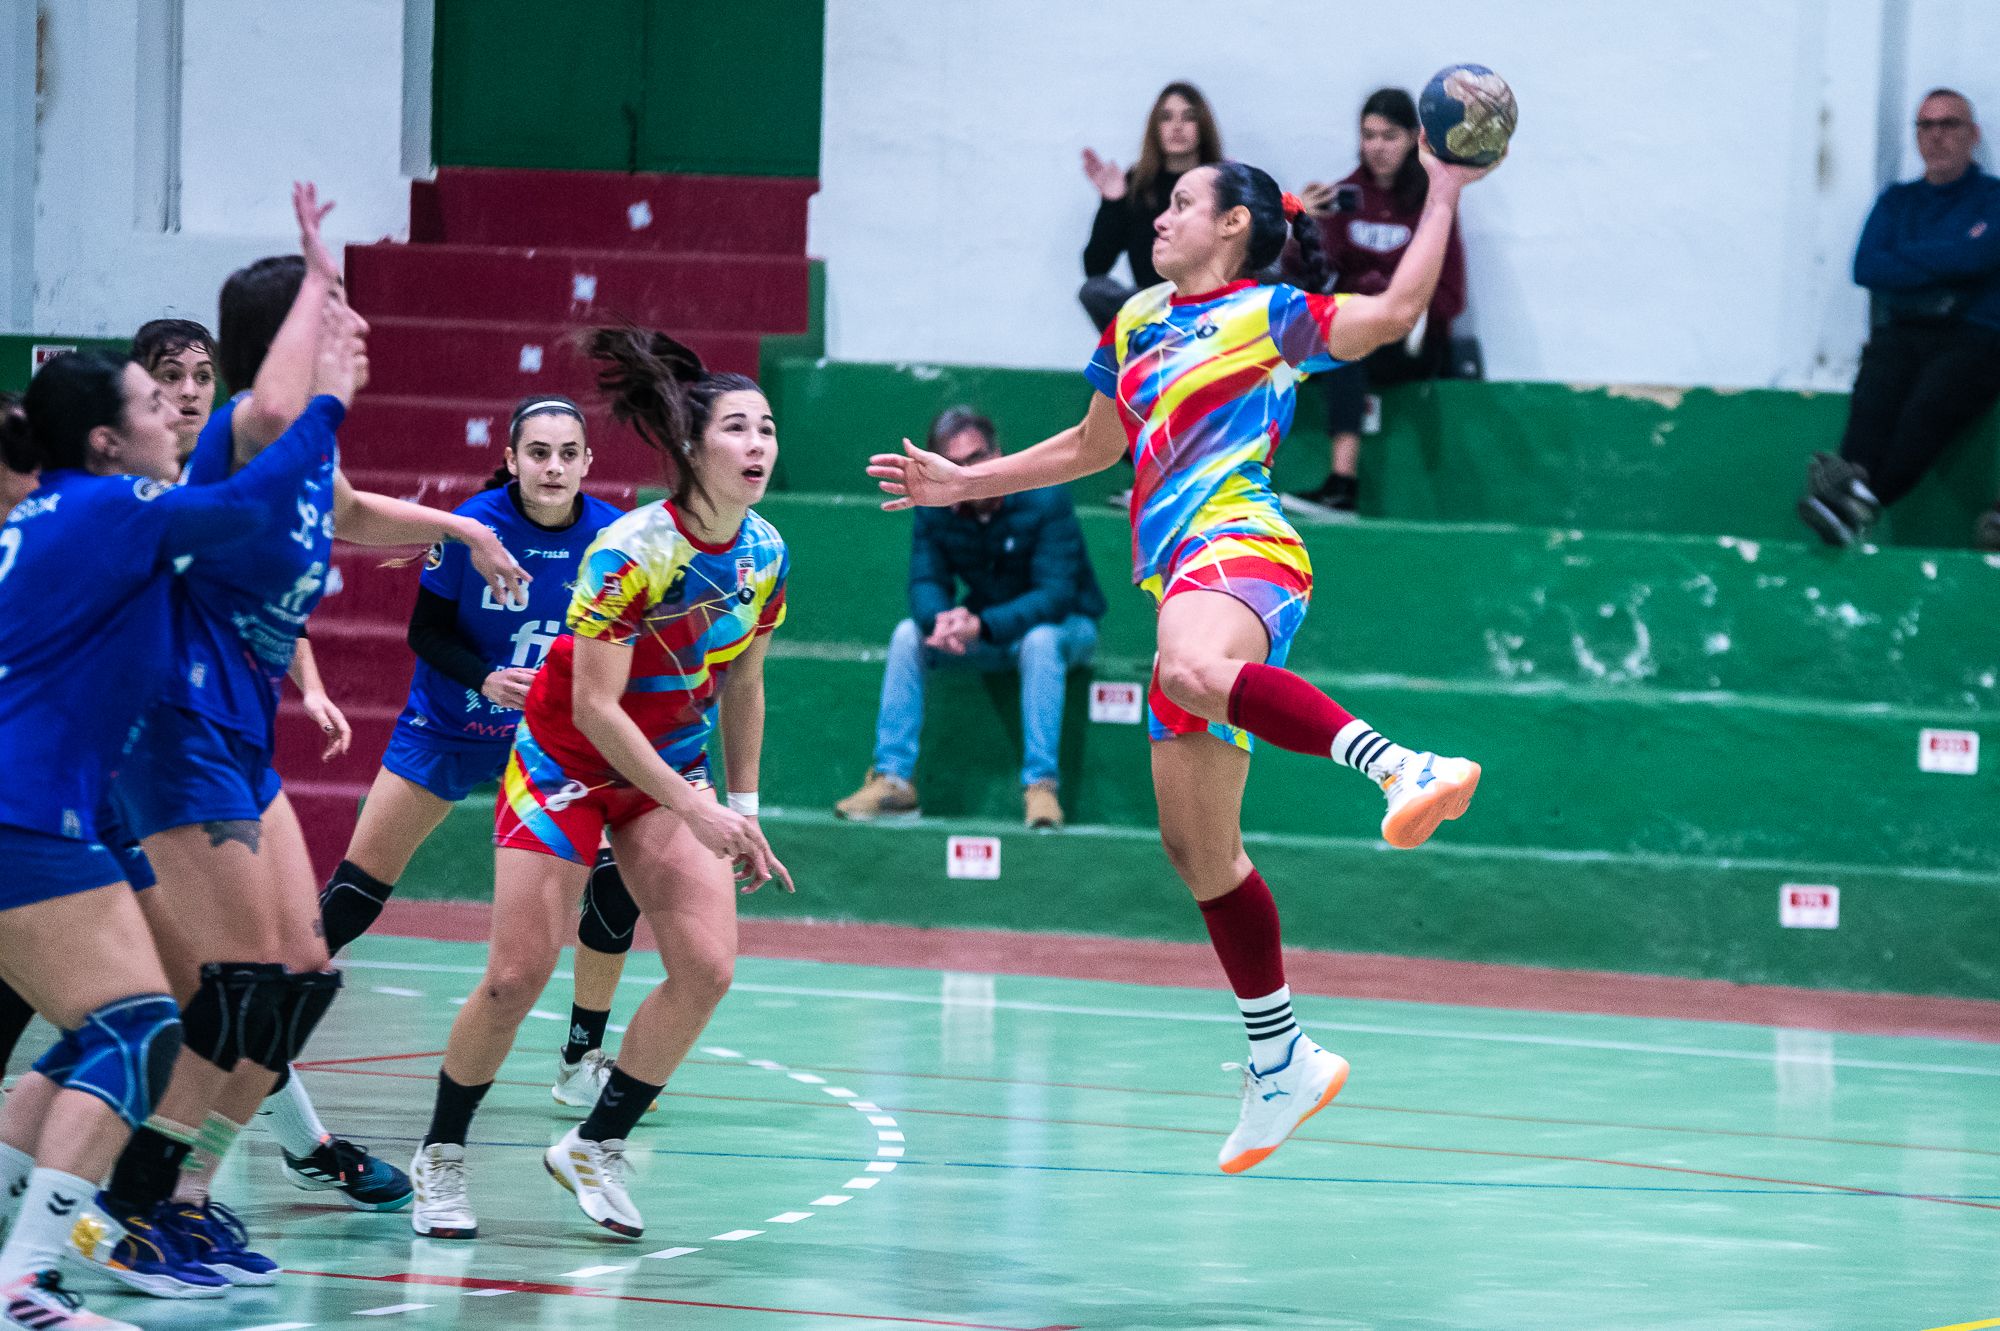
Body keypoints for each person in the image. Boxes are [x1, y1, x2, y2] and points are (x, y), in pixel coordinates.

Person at [871, 143, 1495, 1176]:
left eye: (1179, 204)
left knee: (1187, 671)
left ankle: (1399, 766)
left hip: (1241, 543)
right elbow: (1090, 445)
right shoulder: (1133, 321)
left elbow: (1392, 314)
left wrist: (1441, 191)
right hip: (1177, 576)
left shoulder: (1273, 313)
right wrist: (957, 483)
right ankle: (1280, 1057)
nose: (1158, 218)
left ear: (1233, 226)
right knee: (1198, 850)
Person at [76, 185, 533, 1298]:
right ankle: (131, 1208)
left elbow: (351, 512)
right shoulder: (241, 437)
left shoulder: (300, 462)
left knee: (302, 977)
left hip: (241, 743)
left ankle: (186, 1197)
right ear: (295, 342)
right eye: (341, 320)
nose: (361, 336)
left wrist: (465, 525)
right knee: (234, 990)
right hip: (174, 738)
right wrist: (320, 278)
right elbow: (282, 403)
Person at [407, 328, 792, 1243]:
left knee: (708, 968)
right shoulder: (630, 550)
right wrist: (692, 801)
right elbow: (598, 707)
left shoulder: (766, 551)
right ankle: (441, 1156)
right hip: (568, 760)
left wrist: (740, 807)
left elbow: (746, 681)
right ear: (692, 447)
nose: (761, 445)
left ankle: (595, 1142)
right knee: (513, 977)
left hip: (667, 771)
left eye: (769, 428)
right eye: (739, 427)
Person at [0, 347, 336, 1330]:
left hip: (48, 808)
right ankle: (25, 1281)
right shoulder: (112, 509)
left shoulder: (52, 516)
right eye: (154, 400)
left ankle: (23, 1268)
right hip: (27, 811)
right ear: (107, 439)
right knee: (136, 1026)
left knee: (94, 1031)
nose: (173, 411)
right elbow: (252, 502)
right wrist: (329, 404)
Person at [309, 394, 644, 1117]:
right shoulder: (469, 528)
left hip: (555, 741)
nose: (552, 466)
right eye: (538, 452)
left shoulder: (615, 539)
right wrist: (486, 678)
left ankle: (582, 1056)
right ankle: (261, 1008)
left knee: (618, 881)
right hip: (448, 723)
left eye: (567, 453)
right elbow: (425, 632)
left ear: (589, 462)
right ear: (512, 460)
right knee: (358, 891)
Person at [835, 406, 1105, 829]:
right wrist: (939, 621)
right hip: (991, 632)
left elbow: (1057, 595)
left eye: (978, 458)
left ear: (998, 453)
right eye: (956, 464)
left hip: (1068, 628)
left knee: (1041, 641)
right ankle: (894, 781)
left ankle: (1041, 787)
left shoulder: (1045, 495)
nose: (968, 471)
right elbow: (925, 580)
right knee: (909, 634)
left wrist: (983, 625)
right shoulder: (936, 505)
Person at [1800, 88, 2000, 547]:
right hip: (1904, 333)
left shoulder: (1992, 199)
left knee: (1928, 405)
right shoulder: (1898, 201)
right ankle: (1848, 496)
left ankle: (1855, 504)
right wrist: (1950, 260)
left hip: (1975, 337)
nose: (1936, 137)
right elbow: (1867, 267)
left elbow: (1982, 256)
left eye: (1949, 125)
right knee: (1874, 397)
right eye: (1925, 125)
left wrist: (1909, 260)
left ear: (1972, 135)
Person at [1286, 88, 1466, 518]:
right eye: (1369, 136)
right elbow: (1306, 275)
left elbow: (1452, 292)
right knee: (1334, 338)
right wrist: (1304, 225)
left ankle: (1342, 484)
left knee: (1349, 340)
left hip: (1413, 339)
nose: (1377, 147)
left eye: (1389, 136)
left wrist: (1406, 311)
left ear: (1412, 138)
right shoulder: (1346, 196)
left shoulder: (1433, 202)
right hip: (1356, 331)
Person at [1080, 82, 1226, 332]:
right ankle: (1145, 353)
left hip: (1210, 306)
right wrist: (1112, 203)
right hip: (1152, 310)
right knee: (1094, 292)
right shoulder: (1136, 185)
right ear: (1155, 128)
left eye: (1188, 117)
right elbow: (1095, 267)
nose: (1177, 126)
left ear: (1202, 126)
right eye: (1166, 118)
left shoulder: (1223, 181)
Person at [131, 320, 218, 468]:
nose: (189, 392)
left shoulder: (230, 471)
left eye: (203, 377)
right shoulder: (114, 474)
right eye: (171, 376)